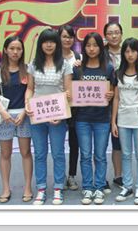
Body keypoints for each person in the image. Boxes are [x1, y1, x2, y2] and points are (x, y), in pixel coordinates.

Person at [25, 29, 73, 205]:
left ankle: (58, 188)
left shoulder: (65, 65)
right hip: (37, 115)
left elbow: (68, 92)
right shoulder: (33, 64)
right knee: (39, 153)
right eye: (45, 41)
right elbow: (30, 88)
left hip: (57, 117)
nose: (49, 45)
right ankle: (41, 188)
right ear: (41, 44)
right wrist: (27, 104)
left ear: (57, 44)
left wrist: (62, 114)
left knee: (58, 153)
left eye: (52, 41)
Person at [0, 35, 33, 203]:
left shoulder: (27, 69)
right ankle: (6, 188)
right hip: (4, 117)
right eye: (12, 48)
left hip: (24, 116)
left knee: (26, 152)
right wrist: (3, 113)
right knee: (5, 153)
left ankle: (27, 187)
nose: (15, 52)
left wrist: (24, 112)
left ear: (22, 51)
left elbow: (31, 91)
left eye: (19, 49)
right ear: (5, 50)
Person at [75, 32, 116, 205]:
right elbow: (71, 91)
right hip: (82, 118)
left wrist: (110, 94)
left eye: (95, 45)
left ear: (100, 47)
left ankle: (99, 187)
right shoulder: (78, 68)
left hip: (102, 119)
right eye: (88, 45)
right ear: (84, 48)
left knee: (100, 155)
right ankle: (87, 187)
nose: (91, 49)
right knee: (85, 155)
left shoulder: (108, 68)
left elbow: (113, 92)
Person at [111, 38, 138, 205]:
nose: (130, 54)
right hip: (123, 120)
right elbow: (116, 98)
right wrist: (113, 122)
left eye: (133, 51)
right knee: (126, 155)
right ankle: (127, 187)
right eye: (127, 51)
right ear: (123, 54)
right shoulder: (118, 73)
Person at [58, 25, 81, 191]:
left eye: (70, 37)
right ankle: (59, 177)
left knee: (74, 142)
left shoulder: (79, 57)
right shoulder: (51, 57)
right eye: (64, 36)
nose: (67, 40)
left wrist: (81, 68)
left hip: (74, 107)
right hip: (57, 106)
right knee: (58, 144)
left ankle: (72, 176)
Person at [103, 22, 123, 190]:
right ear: (105, 36)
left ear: (121, 34)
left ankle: (118, 176)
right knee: (101, 142)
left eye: (117, 32)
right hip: (102, 103)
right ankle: (100, 177)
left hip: (123, 103)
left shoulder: (128, 51)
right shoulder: (99, 52)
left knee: (118, 142)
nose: (114, 36)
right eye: (110, 33)